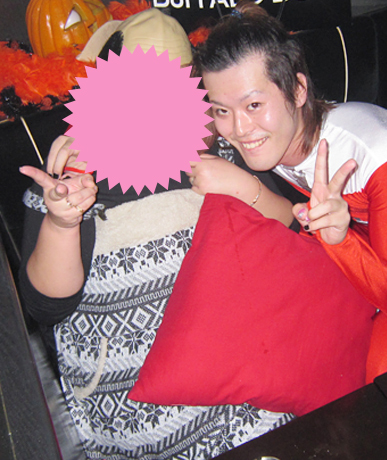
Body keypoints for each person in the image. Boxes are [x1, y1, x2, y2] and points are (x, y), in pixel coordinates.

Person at [18, 9, 296, 460]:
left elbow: (290, 230)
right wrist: (63, 223)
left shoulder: (224, 153)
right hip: (139, 413)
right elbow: (46, 306)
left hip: (250, 387)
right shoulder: (68, 178)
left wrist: (242, 186)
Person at [191, 0, 387, 381]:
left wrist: (339, 240)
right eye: (222, 110)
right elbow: (294, 218)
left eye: (254, 104)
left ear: (298, 90)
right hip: (371, 234)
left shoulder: (365, 143)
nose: (239, 129)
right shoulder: (270, 133)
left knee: (381, 373)